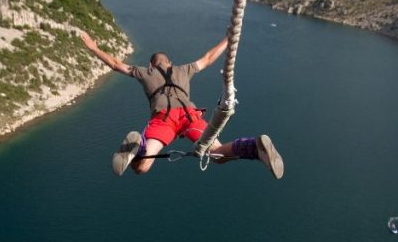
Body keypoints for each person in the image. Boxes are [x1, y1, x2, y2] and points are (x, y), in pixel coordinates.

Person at [79, 30, 284, 178]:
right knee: (218, 155)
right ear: (170, 63)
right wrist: (229, 38)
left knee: (141, 167)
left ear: (152, 64)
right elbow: (209, 58)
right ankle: (253, 147)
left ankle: (138, 146)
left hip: (163, 120)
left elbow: (115, 65)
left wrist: (94, 48)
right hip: (189, 117)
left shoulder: (144, 72)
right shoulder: (184, 70)